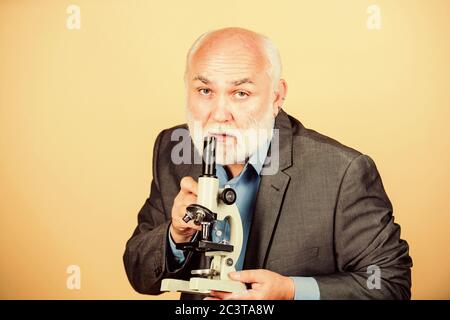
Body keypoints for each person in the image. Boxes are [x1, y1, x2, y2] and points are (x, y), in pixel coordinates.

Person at [123, 27, 412, 300]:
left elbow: (388, 283)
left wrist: (291, 290)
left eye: (241, 93)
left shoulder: (342, 172)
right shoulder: (172, 148)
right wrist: (176, 234)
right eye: (205, 91)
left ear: (276, 96)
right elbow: (139, 273)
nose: (220, 114)